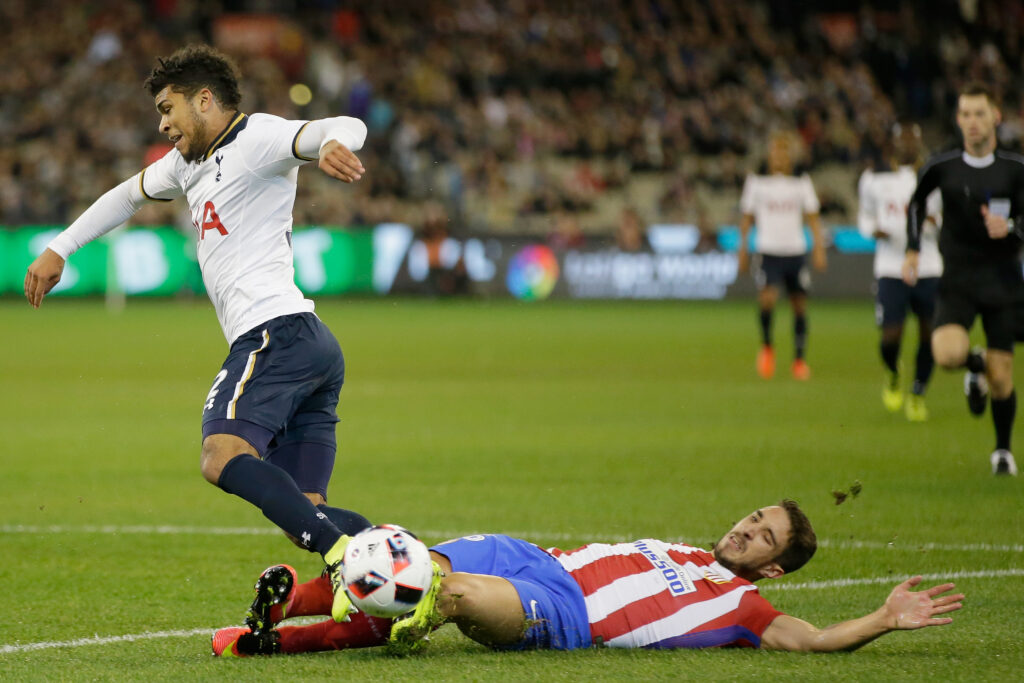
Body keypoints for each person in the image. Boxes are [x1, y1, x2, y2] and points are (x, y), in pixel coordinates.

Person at [22, 44, 373, 620]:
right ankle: (427, 567)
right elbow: (126, 195)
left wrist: (334, 142)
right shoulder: (186, 163)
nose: (162, 123)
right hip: (307, 343)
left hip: (274, 335)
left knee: (220, 455)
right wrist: (62, 246)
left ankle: (340, 556)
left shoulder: (256, 138)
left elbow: (341, 124)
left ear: (204, 100)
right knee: (302, 511)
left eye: (168, 108)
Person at [211, 501, 962, 657]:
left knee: (451, 595)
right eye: (753, 514)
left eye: (762, 534)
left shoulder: (745, 605)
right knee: (412, 565)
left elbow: (815, 638)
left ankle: (295, 633)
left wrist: (883, 618)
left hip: (564, 611)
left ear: (770, 564)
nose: (744, 526)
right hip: (535, 555)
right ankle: (281, 615)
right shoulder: (682, 545)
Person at [902, 82, 1024, 476]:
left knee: (1003, 377)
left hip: (1004, 282)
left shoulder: (1015, 169)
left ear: (995, 117)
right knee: (947, 355)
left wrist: (1012, 227)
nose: (973, 122)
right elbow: (916, 203)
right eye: (966, 114)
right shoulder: (942, 167)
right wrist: (913, 248)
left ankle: (1003, 451)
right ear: (958, 119)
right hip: (959, 279)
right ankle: (975, 364)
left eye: (980, 114)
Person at [858, 122, 942, 421]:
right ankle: (893, 371)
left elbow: (945, 216)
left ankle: (918, 393)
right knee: (890, 336)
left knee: (929, 334)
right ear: (892, 142)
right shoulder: (874, 178)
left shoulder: (934, 176)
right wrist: (873, 230)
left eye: (913, 139)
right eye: (902, 138)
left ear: (920, 142)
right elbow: (865, 216)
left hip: (928, 264)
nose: (908, 144)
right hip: (890, 266)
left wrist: (932, 224)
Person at [738, 132, 828, 381]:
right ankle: (767, 347)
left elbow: (812, 217)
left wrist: (819, 249)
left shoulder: (801, 181)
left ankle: (799, 360)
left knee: (799, 305)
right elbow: (747, 219)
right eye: (776, 151)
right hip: (768, 250)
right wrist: (742, 249)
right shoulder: (757, 182)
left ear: (790, 155)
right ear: (769, 154)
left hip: (795, 251)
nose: (779, 156)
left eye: (784, 151)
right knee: (767, 299)